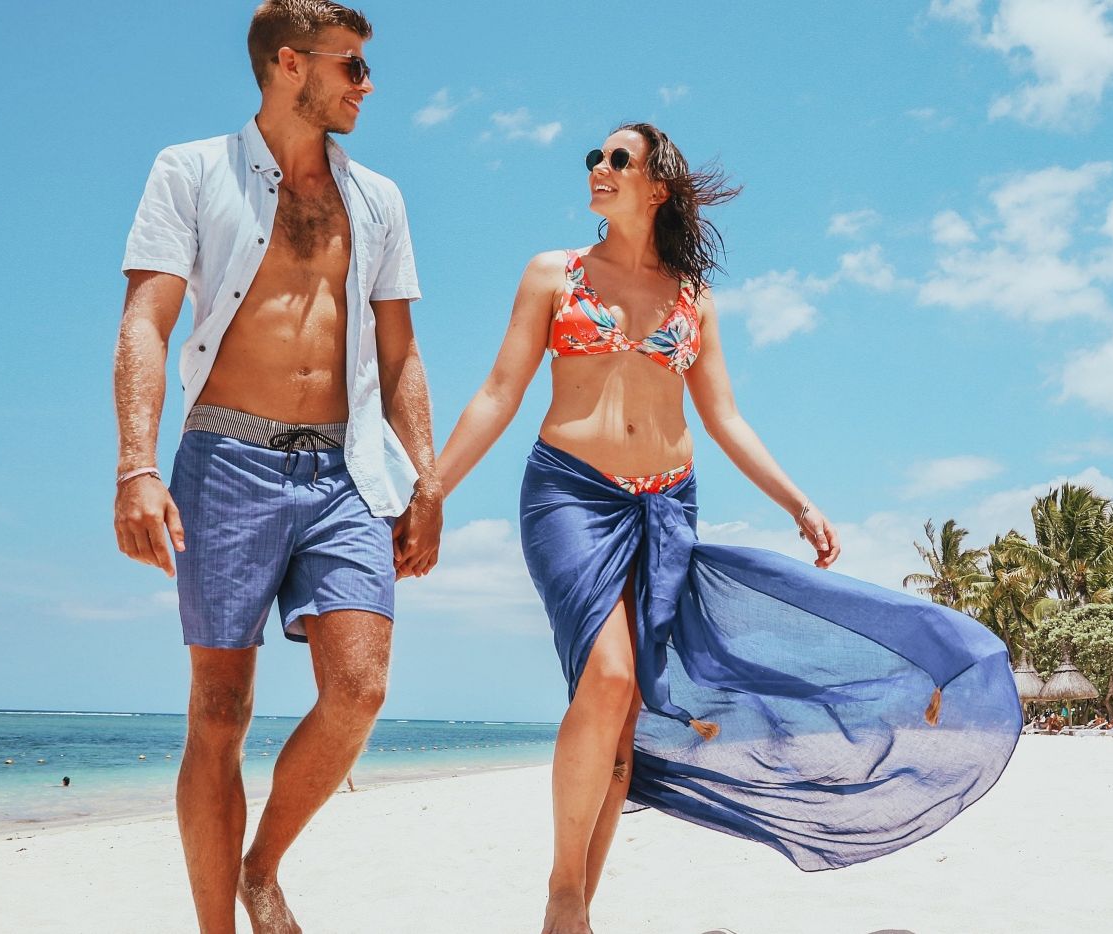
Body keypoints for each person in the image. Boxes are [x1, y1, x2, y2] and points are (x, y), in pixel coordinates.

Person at [433, 122, 1018, 933]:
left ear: (657, 186)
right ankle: (563, 898)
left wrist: (797, 499)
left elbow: (725, 418)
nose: (598, 170)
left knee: (626, 704)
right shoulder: (553, 273)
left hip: (668, 503)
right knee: (606, 681)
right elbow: (499, 392)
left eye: (617, 160)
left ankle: (574, 910)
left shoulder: (692, 298)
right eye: (593, 159)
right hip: (570, 495)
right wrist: (431, 490)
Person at [112, 4, 438, 931]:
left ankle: (262, 868)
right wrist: (138, 465)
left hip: (345, 472)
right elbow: (147, 322)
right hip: (225, 459)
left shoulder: (378, 197)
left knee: (361, 689)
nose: (366, 86)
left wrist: (429, 476)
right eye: (352, 68)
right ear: (289, 65)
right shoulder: (190, 170)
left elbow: (401, 349)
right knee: (220, 708)